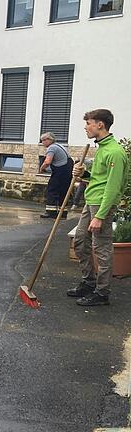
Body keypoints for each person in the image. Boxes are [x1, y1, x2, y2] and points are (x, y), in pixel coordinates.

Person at [69, 109, 128, 306]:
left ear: (100, 125)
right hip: (91, 201)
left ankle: (102, 292)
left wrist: (100, 216)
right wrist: (82, 173)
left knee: (101, 248)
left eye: (89, 123)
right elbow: (96, 179)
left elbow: (112, 187)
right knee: (79, 242)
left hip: (102, 205)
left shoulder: (114, 152)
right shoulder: (102, 148)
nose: (86, 127)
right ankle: (88, 282)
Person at [38, 132, 74, 218]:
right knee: (63, 192)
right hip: (67, 172)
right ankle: (62, 213)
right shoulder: (60, 146)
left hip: (60, 172)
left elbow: (48, 161)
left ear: (49, 140)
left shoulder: (52, 148)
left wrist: (42, 168)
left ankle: (51, 212)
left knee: (52, 190)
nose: (42, 143)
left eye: (43, 140)